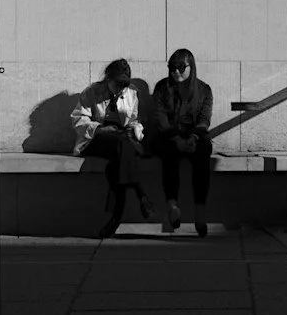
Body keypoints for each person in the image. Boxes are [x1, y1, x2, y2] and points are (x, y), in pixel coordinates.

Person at [73, 59, 153, 237]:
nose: (120, 89)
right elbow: (79, 120)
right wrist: (100, 129)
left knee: (116, 166)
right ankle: (140, 192)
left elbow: (135, 120)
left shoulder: (132, 93)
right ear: (108, 78)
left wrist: (135, 131)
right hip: (96, 139)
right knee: (122, 146)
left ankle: (115, 218)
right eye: (117, 84)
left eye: (123, 85)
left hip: (122, 139)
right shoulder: (91, 92)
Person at [149, 49, 216, 237]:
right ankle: (173, 206)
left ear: (190, 67)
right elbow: (160, 118)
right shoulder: (163, 87)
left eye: (180, 67)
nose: (176, 72)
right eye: (172, 68)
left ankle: (200, 213)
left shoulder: (204, 90)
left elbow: (204, 120)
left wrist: (193, 138)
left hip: (193, 136)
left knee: (203, 152)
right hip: (169, 136)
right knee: (168, 154)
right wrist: (176, 139)